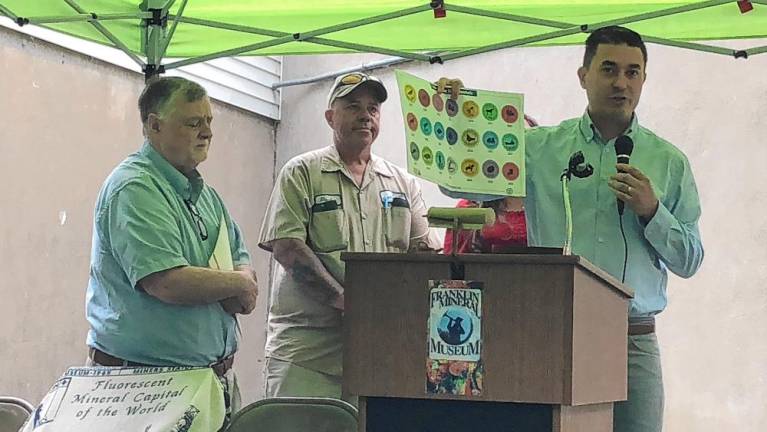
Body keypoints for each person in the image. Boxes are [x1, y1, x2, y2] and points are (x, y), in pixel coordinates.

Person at [438, 26, 704, 432]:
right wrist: (450, 116)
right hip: (557, 333)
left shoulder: (670, 162)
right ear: (583, 76)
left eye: (633, 72)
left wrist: (652, 212)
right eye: (609, 69)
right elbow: (455, 182)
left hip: (632, 338)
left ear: (644, 80)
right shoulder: (540, 148)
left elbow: (690, 260)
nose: (621, 82)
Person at [258, 71, 440, 401]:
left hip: (379, 351)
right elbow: (287, 247)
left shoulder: (402, 183)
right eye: (353, 106)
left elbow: (423, 255)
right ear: (330, 117)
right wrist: (346, 301)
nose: (365, 115)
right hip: (307, 355)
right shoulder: (302, 172)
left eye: (373, 108)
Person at [85, 76, 258, 416]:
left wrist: (237, 282)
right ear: (154, 126)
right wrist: (238, 283)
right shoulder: (134, 188)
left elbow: (242, 261)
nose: (207, 133)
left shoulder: (208, 197)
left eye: (208, 122)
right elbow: (167, 282)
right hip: (142, 389)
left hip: (210, 383)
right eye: (193, 123)